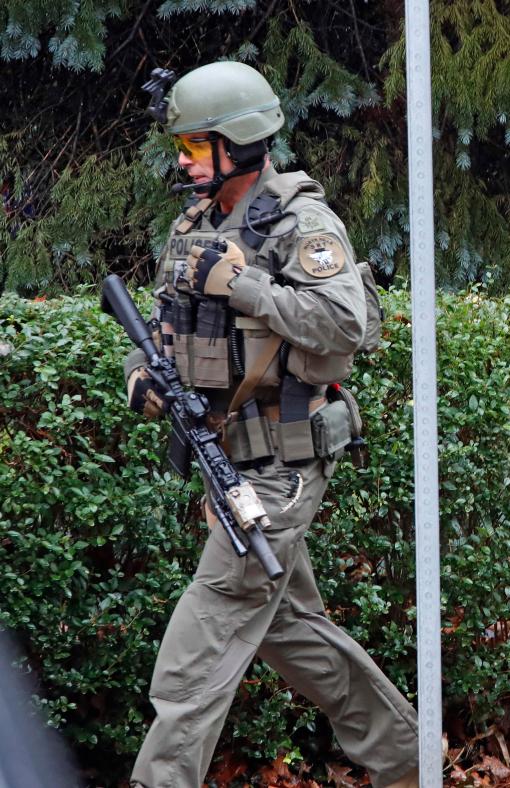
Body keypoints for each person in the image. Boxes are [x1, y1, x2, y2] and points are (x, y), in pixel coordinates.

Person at [123, 61, 419, 788]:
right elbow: (162, 325)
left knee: (199, 647)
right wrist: (143, 377)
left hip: (285, 464)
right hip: (229, 459)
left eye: (195, 145)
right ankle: (411, 766)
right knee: (292, 633)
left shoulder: (301, 223)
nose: (183, 160)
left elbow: (345, 324)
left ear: (240, 143)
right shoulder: (194, 223)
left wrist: (246, 283)